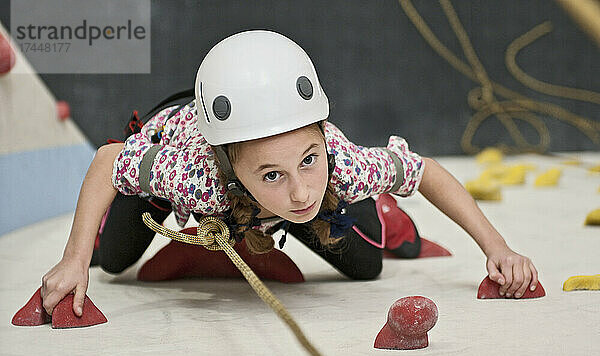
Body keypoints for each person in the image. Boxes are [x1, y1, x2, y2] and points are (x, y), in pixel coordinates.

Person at [40, 30, 539, 318]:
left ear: (323, 136)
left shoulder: (339, 165)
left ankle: (383, 215)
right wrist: (73, 259)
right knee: (112, 262)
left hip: (268, 194)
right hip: (170, 138)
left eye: (308, 159)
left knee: (367, 268)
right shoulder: (193, 175)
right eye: (273, 174)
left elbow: (425, 170)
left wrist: (499, 248)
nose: (303, 192)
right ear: (234, 172)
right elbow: (108, 159)